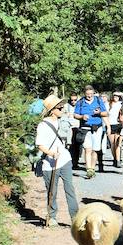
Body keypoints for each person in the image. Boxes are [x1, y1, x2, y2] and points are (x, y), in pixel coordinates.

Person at [34, 97, 79, 226]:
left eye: (62, 107)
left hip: (64, 159)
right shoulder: (43, 125)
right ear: (52, 111)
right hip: (50, 162)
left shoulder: (62, 121)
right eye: (59, 108)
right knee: (51, 191)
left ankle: (75, 218)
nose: (62, 109)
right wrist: (51, 153)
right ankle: (52, 216)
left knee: (69, 189)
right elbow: (40, 144)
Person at [73, 85, 107, 178]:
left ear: (93, 93)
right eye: (88, 94)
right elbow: (75, 115)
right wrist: (82, 117)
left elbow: (106, 113)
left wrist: (98, 113)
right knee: (87, 149)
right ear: (84, 94)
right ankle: (89, 169)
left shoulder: (98, 100)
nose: (89, 96)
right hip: (85, 129)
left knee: (95, 150)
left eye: (91, 94)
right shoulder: (80, 102)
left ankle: (92, 168)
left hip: (97, 128)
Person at [66, 92, 83, 168]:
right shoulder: (67, 106)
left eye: (75, 100)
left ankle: (75, 162)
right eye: (72, 100)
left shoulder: (80, 106)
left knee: (78, 146)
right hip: (70, 128)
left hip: (78, 127)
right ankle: (70, 162)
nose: (73, 102)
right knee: (70, 146)